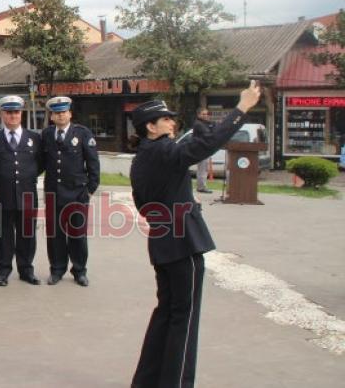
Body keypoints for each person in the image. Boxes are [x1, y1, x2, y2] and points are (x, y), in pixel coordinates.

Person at [129, 81, 262, 387]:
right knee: (184, 320)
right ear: (151, 127)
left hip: (162, 244)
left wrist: (180, 200)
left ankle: (147, 381)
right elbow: (208, 143)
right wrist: (241, 107)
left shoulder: (142, 158)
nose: (172, 122)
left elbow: (144, 204)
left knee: (166, 314)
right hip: (182, 246)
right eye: (166, 119)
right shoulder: (165, 150)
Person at [41, 96, 100, 287]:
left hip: (77, 194)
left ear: (70, 114)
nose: (60, 116)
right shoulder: (47, 135)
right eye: (57, 113)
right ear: (51, 116)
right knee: (55, 234)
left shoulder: (82, 133)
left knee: (77, 234)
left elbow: (93, 165)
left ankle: (79, 271)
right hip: (53, 193)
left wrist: (89, 190)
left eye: (64, 112)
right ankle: (57, 269)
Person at [0, 95, 43, 287]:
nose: (12, 116)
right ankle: (3, 270)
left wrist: (28, 176)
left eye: (16, 112)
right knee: (3, 235)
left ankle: (26, 270)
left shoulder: (35, 138)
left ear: (22, 113)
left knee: (27, 235)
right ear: (2, 114)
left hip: (27, 195)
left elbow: (41, 163)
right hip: (2, 196)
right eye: (8, 112)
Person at [192, 107, 214, 194]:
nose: (205, 116)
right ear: (198, 115)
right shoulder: (198, 124)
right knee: (202, 169)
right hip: (200, 148)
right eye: (203, 114)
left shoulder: (204, 123)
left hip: (203, 148)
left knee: (203, 168)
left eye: (206, 114)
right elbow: (208, 134)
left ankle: (201, 186)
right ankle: (201, 187)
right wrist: (211, 127)